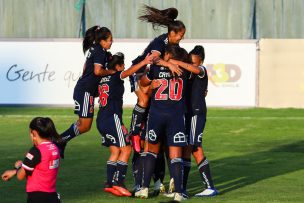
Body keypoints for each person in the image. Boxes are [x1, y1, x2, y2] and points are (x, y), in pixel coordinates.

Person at [134, 45, 202, 201]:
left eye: (166, 54)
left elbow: (143, 83)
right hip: (176, 117)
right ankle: (178, 193)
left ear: (170, 55)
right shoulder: (183, 71)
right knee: (175, 155)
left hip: (157, 115)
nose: (163, 55)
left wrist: (151, 84)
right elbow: (197, 71)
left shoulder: (155, 69)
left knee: (151, 151)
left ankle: (144, 189)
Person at [96, 52, 154, 197]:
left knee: (115, 151)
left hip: (102, 118)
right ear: (118, 66)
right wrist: (144, 62)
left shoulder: (102, 79)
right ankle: (118, 182)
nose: (125, 68)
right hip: (111, 117)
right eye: (123, 65)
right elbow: (128, 72)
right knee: (127, 150)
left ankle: (110, 183)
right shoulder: (116, 75)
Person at [129, 5, 186, 150]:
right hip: (138, 71)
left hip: (149, 72)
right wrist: (170, 65)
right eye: (180, 35)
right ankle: (134, 133)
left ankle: (145, 128)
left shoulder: (171, 44)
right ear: (172, 33)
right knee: (144, 99)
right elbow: (154, 59)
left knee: (152, 101)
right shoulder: (160, 42)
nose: (182, 38)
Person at [58, 25, 115, 158]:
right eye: (109, 40)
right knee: (84, 126)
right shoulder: (100, 51)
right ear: (102, 40)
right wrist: (111, 72)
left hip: (86, 91)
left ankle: (61, 140)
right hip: (85, 91)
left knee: (85, 125)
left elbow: (86, 67)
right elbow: (97, 71)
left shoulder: (97, 49)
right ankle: (59, 140)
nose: (111, 42)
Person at [182, 45, 218, 197]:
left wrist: (178, 63)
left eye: (193, 62)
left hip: (197, 114)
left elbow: (196, 70)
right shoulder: (190, 75)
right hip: (190, 114)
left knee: (193, 148)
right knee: (192, 149)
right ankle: (181, 188)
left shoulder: (202, 70)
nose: (191, 65)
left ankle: (208, 187)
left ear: (201, 61)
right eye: (189, 62)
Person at [1, 117, 61, 203]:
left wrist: (18, 167)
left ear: (34, 133)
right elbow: (40, 167)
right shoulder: (54, 148)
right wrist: (18, 169)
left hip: (37, 198)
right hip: (52, 196)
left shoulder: (35, 151)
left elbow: (20, 176)